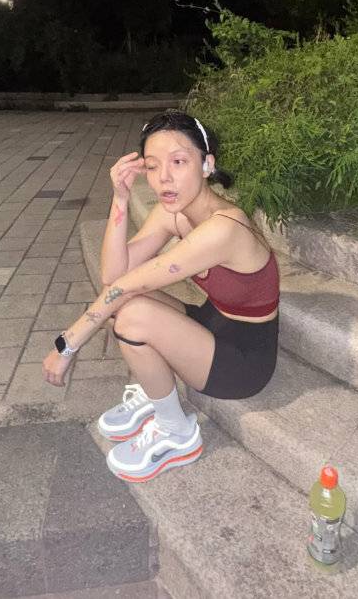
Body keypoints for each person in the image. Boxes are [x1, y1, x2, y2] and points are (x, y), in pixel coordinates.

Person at [42, 110, 280, 482]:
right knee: (124, 307)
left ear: (207, 164)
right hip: (213, 324)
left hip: (243, 363)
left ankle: (177, 433)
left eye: (178, 162)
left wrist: (67, 344)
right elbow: (113, 275)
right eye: (152, 166)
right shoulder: (176, 213)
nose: (163, 177)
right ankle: (155, 389)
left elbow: (126, 285)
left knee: (132, 315)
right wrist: (120, 199)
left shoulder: (224, 228)